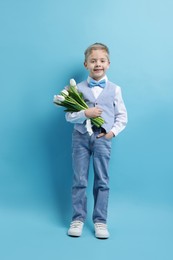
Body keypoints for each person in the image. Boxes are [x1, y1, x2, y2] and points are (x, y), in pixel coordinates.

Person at [65, 43, 127, 239]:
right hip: (80, 138)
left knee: (102, 180)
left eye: (101, 61)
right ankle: (77, 219)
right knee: (80, 179)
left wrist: (112, 133)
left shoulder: (115, 89)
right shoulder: (77, 89)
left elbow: (122, 116)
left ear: (108, 64)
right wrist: (85, 113)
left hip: (102, 138)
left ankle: (100, 221)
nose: (97, 64)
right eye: (93, 61)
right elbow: (69, 116)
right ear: (86, 65)